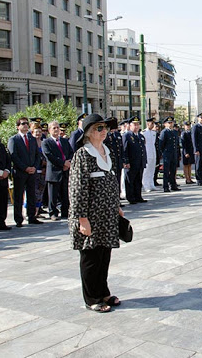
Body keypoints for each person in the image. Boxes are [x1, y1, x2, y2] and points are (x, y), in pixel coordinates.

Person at [68, 114, 123, 313]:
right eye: (99, 128)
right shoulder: (83, 155)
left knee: (104, 254)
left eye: (105, 128)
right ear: (89, 133)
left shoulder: (108, 152)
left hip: (107, 215)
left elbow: (112, 182)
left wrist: (117, 206)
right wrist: (82, 219)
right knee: (91, 257)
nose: (104, 131)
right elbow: (77, 189)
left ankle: (103, 291)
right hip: (90, 216)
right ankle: (92, 298)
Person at [8, 117, 42, 227]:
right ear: (18, 126)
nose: (26, 125)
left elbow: (37, 155)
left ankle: (31, 216)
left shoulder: (32, 139)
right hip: (20, 172)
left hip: (32, 172)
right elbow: (14, 156)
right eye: (23, 124)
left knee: (31, 194)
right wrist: (25, 168)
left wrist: (34, 167)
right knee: (19, 196)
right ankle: (18, 218)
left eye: (27, 123)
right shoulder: (14, 139)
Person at [43, 121, 73, 221]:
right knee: (53, 195)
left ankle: (65, 211)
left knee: (65, 193)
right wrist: (63, 163)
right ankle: (53, 212)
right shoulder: (46, 142)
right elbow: (49, 156)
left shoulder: (64, 141)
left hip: (65, 171)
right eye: (54, 128)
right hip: (54, 172)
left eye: (57, 128)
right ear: (49, 130)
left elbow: (70, 152)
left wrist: (68, 163)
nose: (56, 130)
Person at [122, 117, 146, 204]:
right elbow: (124, 150)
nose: (136, 126)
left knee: (138, 180)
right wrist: (126, 161)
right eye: (134, 124)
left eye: (138, 124)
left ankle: (138, 196)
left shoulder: (140, 136)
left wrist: (144, 161)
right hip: (131, 162)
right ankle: (131, 197)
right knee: (130, 180)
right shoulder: (127, 136)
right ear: (130, 125)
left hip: (139, 162)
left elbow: (142, 149)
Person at [30, 122, 48, 219]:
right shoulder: (31, 143)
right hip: (33, 171)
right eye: (36, 132)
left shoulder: (44, 142)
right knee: (33, 192)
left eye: (40, 132)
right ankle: (30, 212)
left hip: (43, 171)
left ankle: (37, 211)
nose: (38, 134)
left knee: (40, 192)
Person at [159, 116, 181, 192]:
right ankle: (165, 186)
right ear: (165, 124)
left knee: (173, 170)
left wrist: (178, 154)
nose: (170, 124)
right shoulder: (164, 132)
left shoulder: (174, 132)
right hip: (167, 154)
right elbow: (161, 144)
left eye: (171, 122)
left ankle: (173, 185)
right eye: (169, 123)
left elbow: (177, 144)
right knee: (166, 171)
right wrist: (163, 153)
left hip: (174, 154)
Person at [141, 117, 157, 192]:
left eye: (153, 123)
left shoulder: (154, 133)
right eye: (151, 123)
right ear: (147, 124)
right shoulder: (143, 133)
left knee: (152, 169)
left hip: (153, 153)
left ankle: (151, 184)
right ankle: (146, 185)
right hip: (147, 153)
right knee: (146, 170)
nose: (153, 125)